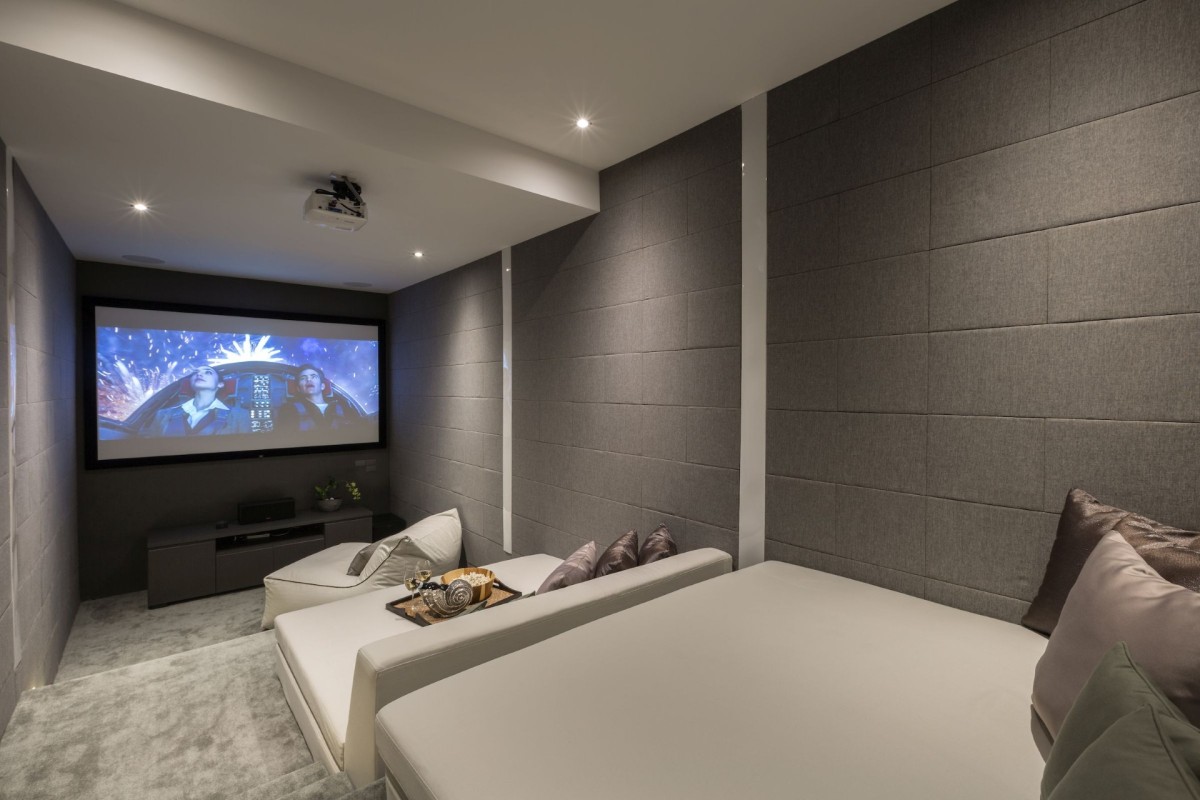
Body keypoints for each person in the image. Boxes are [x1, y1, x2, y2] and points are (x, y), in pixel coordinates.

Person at [147, 365, 252, 436]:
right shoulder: (162, 414)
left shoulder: (240, 416)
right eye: (195, 373)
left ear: (220, 384)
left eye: (208, 372)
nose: (199, 374)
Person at [274, 364, 354, 434]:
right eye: (303, 378)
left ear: (322, 386)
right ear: (298, 388)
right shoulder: (289, 410)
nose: (308, 379)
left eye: (313, 377)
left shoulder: (343, 407)